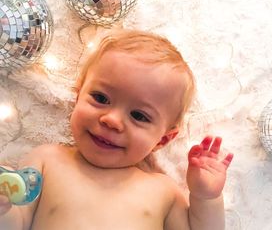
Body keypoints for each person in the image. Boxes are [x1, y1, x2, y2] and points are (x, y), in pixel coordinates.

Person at [0, 29, 233, 230]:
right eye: (100, 98)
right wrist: (4, 210)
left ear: (162, 140)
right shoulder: (47, 159)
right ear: (78, 95)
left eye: (139, 115)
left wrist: (206, 197)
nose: (111, 120)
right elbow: (17, 222)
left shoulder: (162, 190)